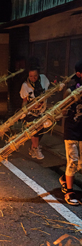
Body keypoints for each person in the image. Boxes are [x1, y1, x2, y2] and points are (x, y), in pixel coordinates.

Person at [59, 60, 82, 206]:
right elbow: (63, 111)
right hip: (72, 131)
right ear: (79, 74)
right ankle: (69, 191)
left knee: (80, 164)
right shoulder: (71, 90)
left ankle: (64, 178)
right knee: (72, 161)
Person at [20, 66, 50, 160]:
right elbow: (24, 100)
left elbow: (49, 90)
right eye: (31, 76)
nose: (33, 78)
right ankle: (36, 149)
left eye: (35, 76)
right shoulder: (25, 85)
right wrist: (24, 110)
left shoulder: (44, 79)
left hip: (42, 110)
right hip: (31, 112)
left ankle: (33, 148)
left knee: (41, 131)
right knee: (35, 130)